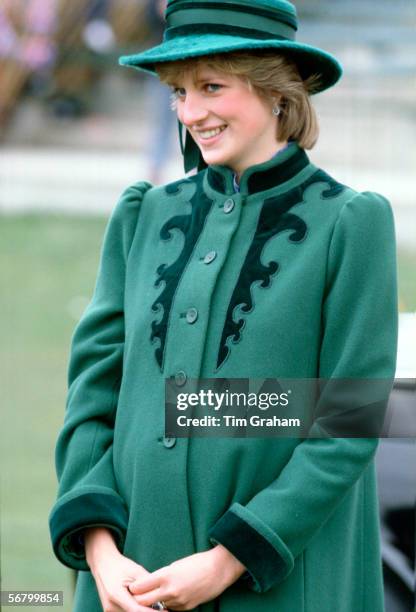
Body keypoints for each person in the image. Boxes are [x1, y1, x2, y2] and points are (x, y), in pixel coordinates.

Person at [48, 1, 398, 611]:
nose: (192, 111)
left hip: (279, 583)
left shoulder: (349, 223)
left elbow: (349, 418)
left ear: (278, 92)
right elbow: (93, 394)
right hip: (128, 580)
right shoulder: (143, 215)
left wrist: (228, 559)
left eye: (212, 86)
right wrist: (101, 554)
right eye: (180, 92)